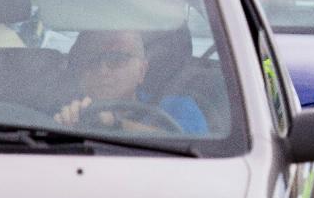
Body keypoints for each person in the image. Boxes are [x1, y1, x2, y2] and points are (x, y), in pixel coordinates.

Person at [55, 30, 208, 135]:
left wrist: (115, 125)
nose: (103, 70)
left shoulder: (178, 108)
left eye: (117, 59)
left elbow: (192, 150)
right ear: (79, 70)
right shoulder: (55, 106)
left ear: (141, 70)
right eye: (92, 60)